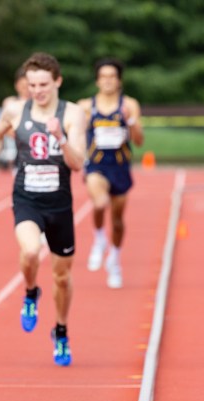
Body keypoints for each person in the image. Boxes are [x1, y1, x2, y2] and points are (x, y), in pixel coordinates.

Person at [0, 52, 87, 367]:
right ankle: (30, 293)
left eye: (43, 84)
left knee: (62, 276)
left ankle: (61, 330)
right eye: (32, 85)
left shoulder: (73, 114)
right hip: (27, 198)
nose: (37, 91)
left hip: (60, 203)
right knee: (29, 252)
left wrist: (60, 137)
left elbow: (78, 163)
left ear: (57, 81)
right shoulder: (15, 109)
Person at [77, 58, 144, 289]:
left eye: (112, 77)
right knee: (99, 202)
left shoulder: (130, 104)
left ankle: (114, 259)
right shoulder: (86, 106)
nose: (107, 81)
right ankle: (99, 239)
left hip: (120, 167)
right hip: (96, 165)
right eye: (103, 76)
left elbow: (139, 140)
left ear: (119, 81)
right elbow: (75, 136)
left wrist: (130, 120)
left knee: (117, 221)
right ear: (97, 80)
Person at [0, 67, 30, 168]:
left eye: (29, 86)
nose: (27, 89)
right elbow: (2, 129)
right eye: (23, 86)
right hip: (17, 146)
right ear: (17, 85)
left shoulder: (39, 104)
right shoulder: (10, 103)